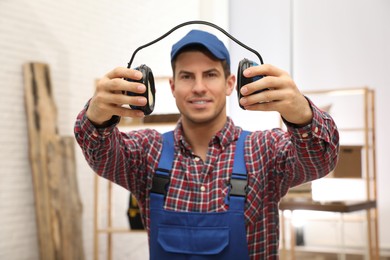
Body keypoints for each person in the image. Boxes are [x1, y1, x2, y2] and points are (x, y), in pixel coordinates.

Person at [74, 29, 339, 259]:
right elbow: (100, 153)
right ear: (172, 86)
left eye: (210, 74)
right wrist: (96, 117)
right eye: (187, 76)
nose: (199, 87)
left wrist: (302, 114)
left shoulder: (264, 150)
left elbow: (321, 159)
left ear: (230, 83)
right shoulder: (146, 153)